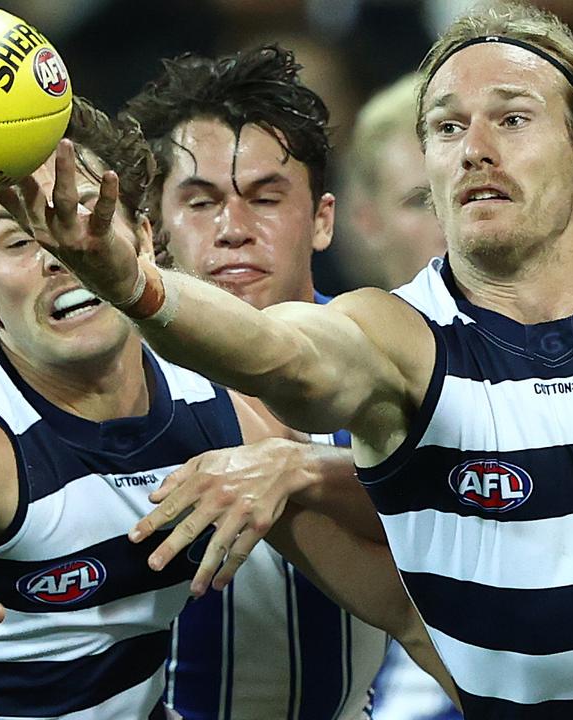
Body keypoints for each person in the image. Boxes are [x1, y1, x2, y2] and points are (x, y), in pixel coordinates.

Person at [22, 4, 573, 718]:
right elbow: (275, 349)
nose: (475, 147)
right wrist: (132, 280)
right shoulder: (397, 336)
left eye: (512, 120)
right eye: (447, 128)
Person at [0, 100, 441, 719]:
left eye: (81, 213)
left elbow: (401, 603)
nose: (60, 250)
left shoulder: (206, 394)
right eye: (19, 238)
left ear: (143, 240)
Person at [119, 45, 390, 720]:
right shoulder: (112, 379)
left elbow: (468, 503)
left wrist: (305, 470)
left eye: (266, 198)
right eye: (201, 201)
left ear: (322, 219)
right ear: (152, 231)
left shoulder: (389, 354)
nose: (234, 230)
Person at [342, 73, 461, 720]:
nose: (451, 218)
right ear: (366, 222)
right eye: (421, 199)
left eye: (459, 190)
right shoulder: (308, 375)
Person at [341, 72, 447, 291]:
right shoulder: (337, 324)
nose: (450, 224)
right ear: (368, 221)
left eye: (468, 195)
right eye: (420, 202)